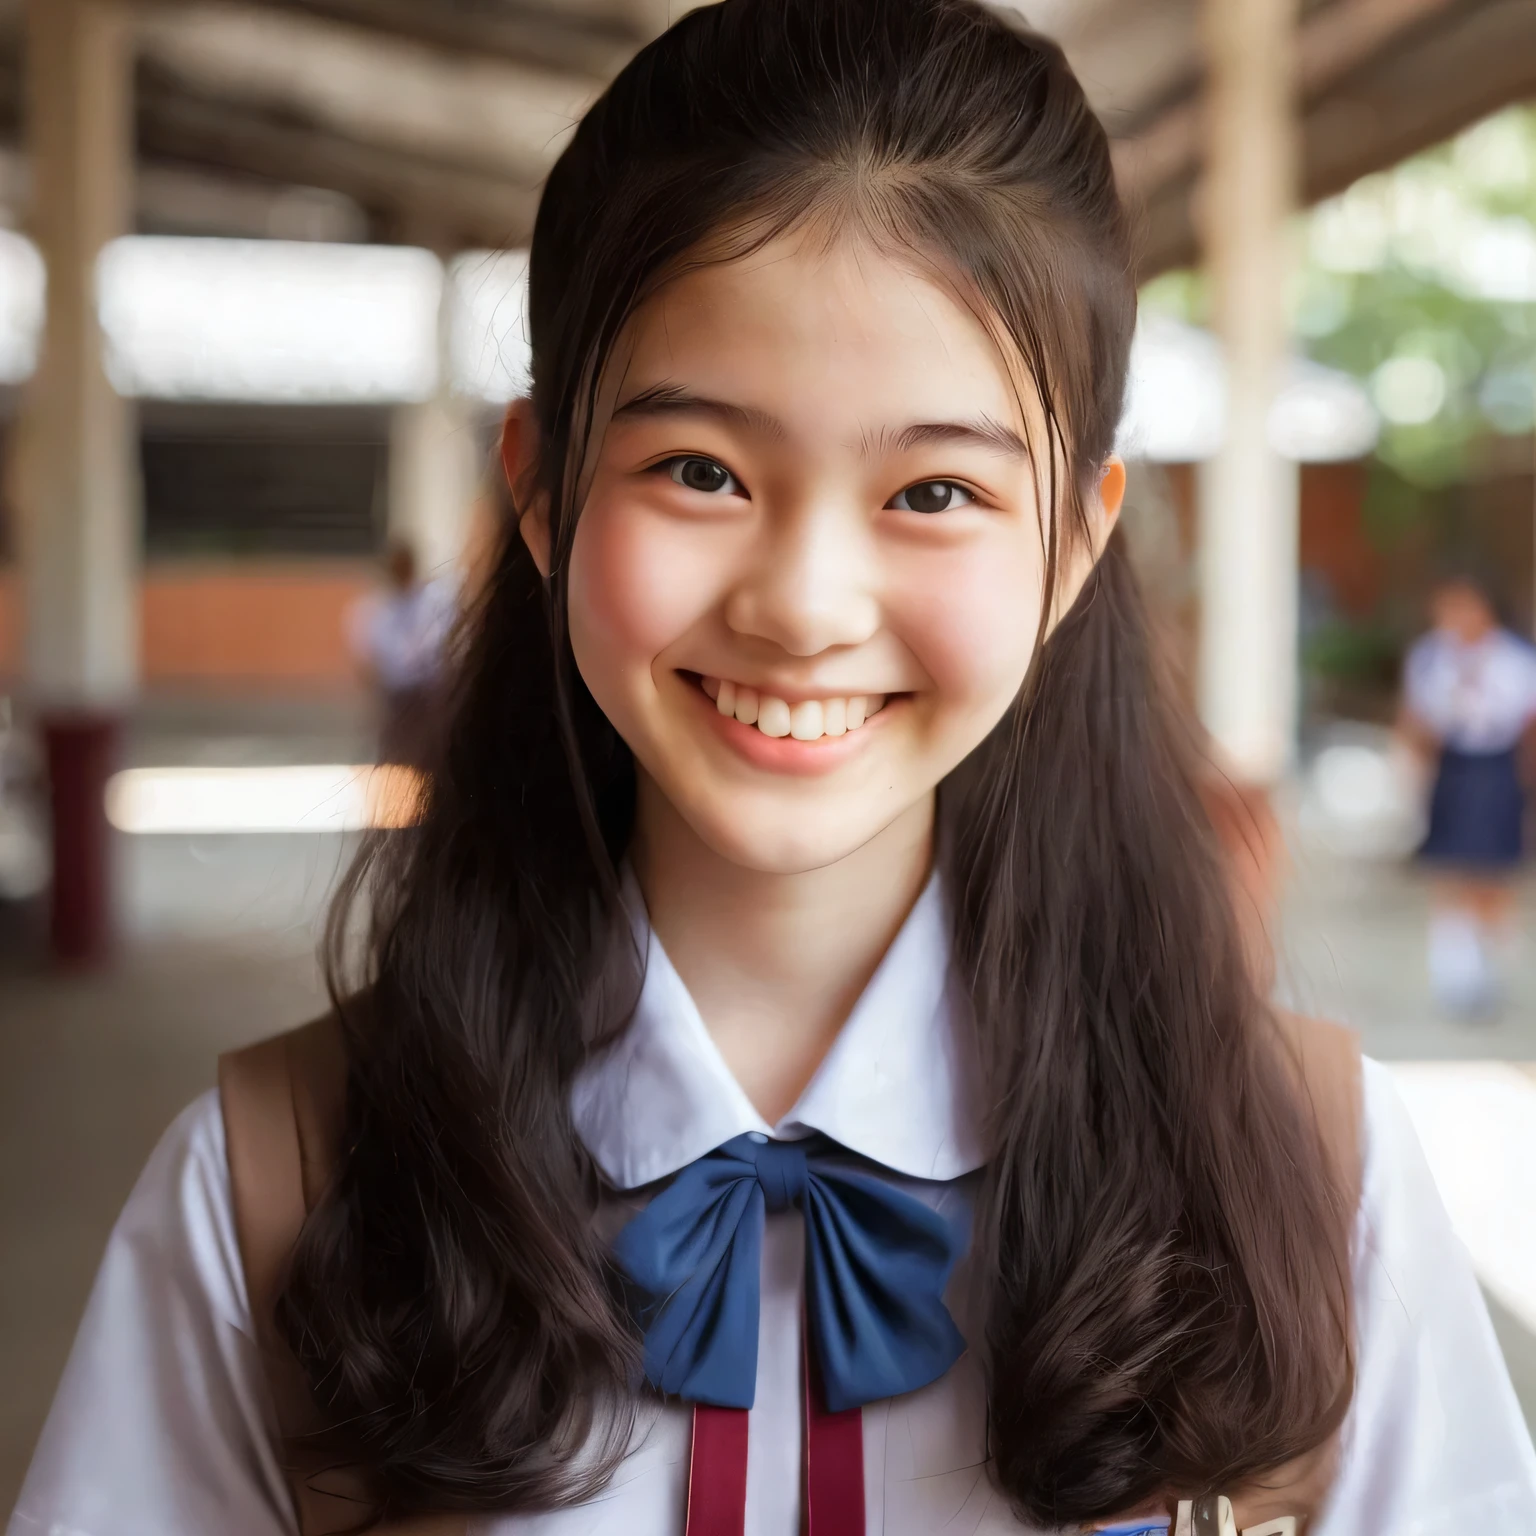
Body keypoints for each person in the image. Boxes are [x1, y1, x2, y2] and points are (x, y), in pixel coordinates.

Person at [13, 4, 1536, 1534]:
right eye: (701, 471)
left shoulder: (1313, 1184)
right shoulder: (274, 1187)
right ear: (539, 494)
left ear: (1073, 547)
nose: (804, 604)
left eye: (934, 489)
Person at [1400, 575, 1536, 1017]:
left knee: (1493, 870)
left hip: (1496, 769)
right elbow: (1417, 718)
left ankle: (1488, 969)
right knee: (1450, 866)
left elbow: (1525, 726)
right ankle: (1454, 973)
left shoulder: (1515, 660)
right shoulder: (1430, 657)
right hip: (1453, 767)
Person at [347, 537, 457, 768]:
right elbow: (364, 661)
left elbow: (448, 643)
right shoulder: (373, 609)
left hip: (430, 692)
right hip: (395, 696)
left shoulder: (435, 599)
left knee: (430, 757)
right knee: (397, 760)